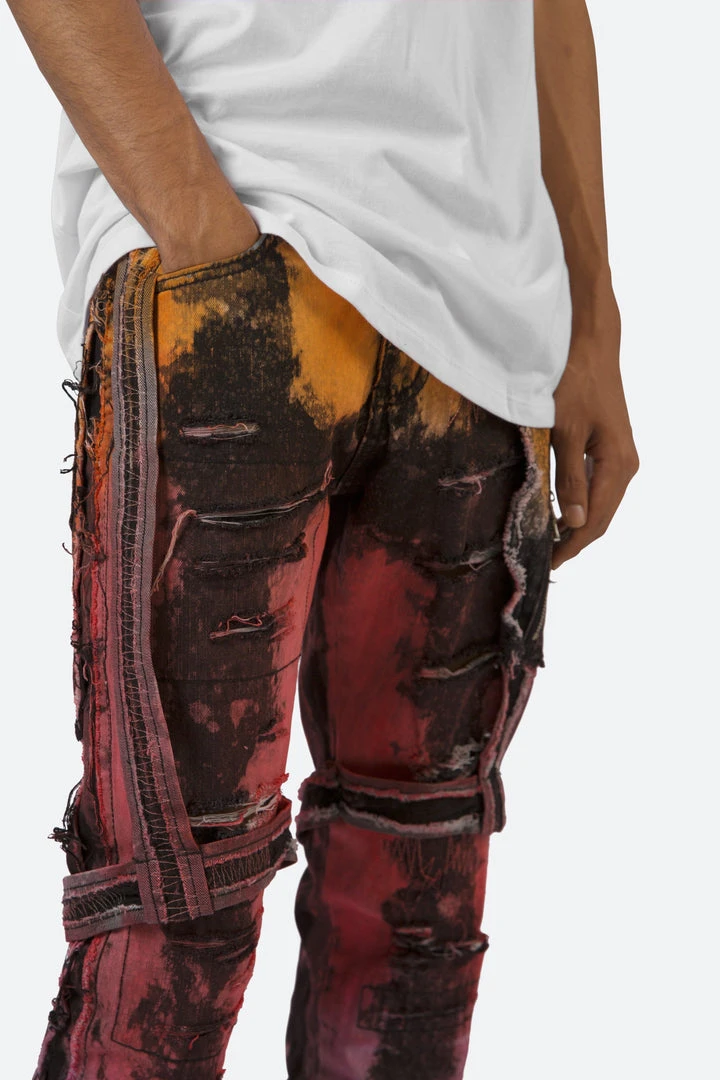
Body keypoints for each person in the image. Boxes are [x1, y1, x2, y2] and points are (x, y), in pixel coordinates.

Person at [7, 1, 638, 1077]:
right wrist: (197, 223)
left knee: (413, 923)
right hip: (231, 260)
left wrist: (592, 325)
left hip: (481, 312)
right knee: (174, 922)